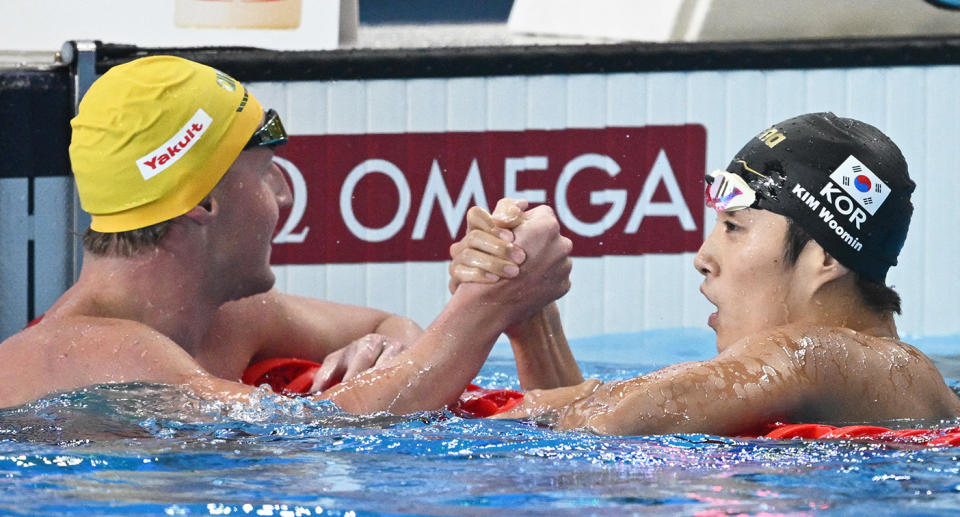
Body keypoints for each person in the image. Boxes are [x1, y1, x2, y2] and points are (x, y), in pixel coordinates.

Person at [0, 55, 573, 412]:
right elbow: (321, 432)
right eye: (266, 169)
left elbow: (383, 326)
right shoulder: (84, 350)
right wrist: (488, 304)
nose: (284, 194)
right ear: (202, 199)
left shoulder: (228, 318)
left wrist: (384, 349)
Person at [450, 113, 960, 436]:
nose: (703, 256)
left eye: (734, 226)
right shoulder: (851, 375)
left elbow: (609, 423)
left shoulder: (824, 358)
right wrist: (528, 314)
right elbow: (610, 425)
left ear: (825, 258)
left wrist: (469, 324)